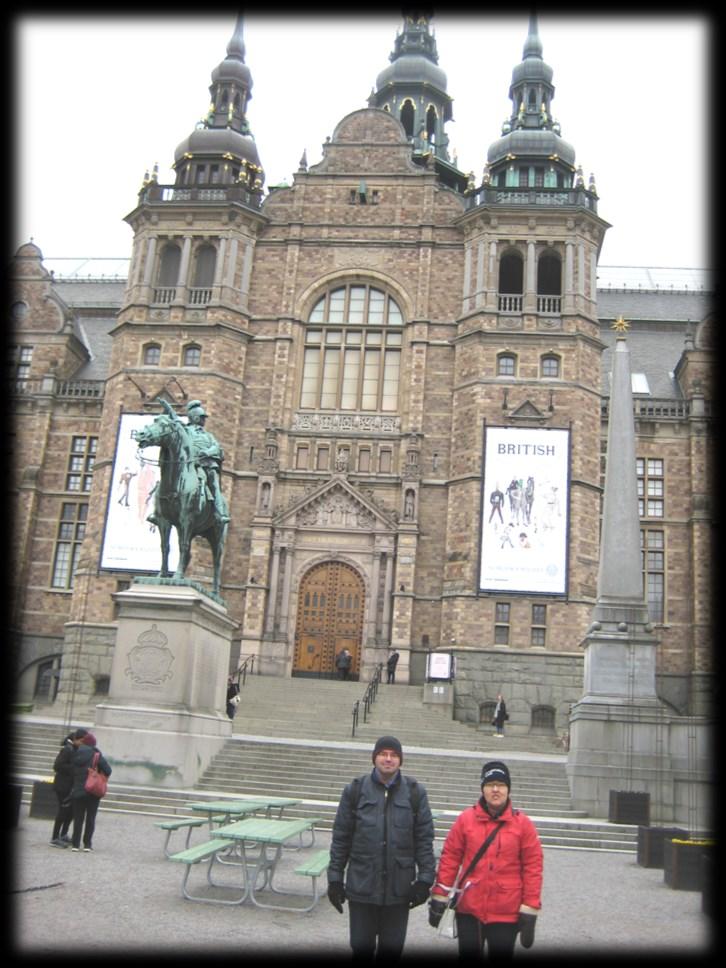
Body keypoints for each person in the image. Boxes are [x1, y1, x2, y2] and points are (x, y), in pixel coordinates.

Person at [327, 736, 435, 962]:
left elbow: (424, 839)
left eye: (394, 755)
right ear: (374, 757)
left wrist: (425, 880)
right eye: (383, 754)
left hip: (399, 889)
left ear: (400, 760)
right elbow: (341, 838)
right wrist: (335, 879)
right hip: (362, 886)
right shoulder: (354, 791)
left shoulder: (416, 793)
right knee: (361, 947)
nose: (388, 759)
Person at [428, 760, 543, 960]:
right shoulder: (466, 819)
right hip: (470, 909)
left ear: (508, 789)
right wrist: (440, 894)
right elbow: (450, 858)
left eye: (501, 785)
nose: (496, 790)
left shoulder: (523, 825)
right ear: (483, 789)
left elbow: (533, 866)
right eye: (490, 785)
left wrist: (530, 906)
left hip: (506, 911)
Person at [69, 731, 112, 852]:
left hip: (78, 789)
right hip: (92, 791)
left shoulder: (76, 754)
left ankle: (75, 845)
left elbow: (72, 771)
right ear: (93, 744)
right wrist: (97, 773)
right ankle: (87, 844)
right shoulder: (96, 755)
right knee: (90, 818)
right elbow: (108, 770)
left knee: (78, 818)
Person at [49, 728, 87, 847]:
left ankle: (64, 834)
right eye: (81, 741)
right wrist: (74, 768)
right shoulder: (67, 750)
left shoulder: (74, 749)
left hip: (69, 786)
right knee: (63, 811)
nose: (83, 743)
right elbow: (57, 766)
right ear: (75, 739)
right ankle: (55, 837)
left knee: (70, 811)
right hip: (63, 786)